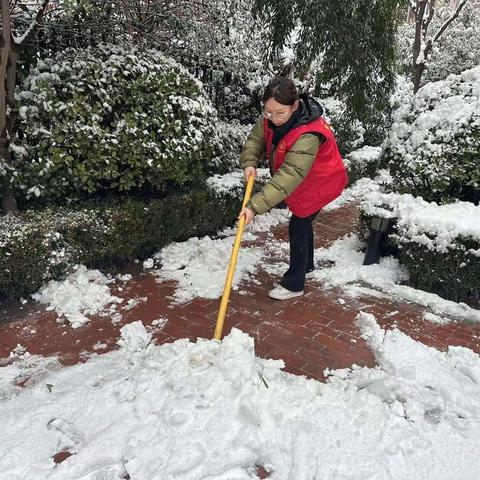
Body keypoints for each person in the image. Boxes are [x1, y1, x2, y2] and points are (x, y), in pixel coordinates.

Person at [238, 76, 347, 300]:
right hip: (304, 180)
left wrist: (254, 206)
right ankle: (307, 265)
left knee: (298, 224)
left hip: (321, 182)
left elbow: (289, 175)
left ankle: (294, 284)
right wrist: (250, 162)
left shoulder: (308, 134)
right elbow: (257, 140)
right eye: (268, 111)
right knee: (302, 220)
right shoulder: (269, 117)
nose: (273, 118)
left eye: (280, 113)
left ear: (295, 106)